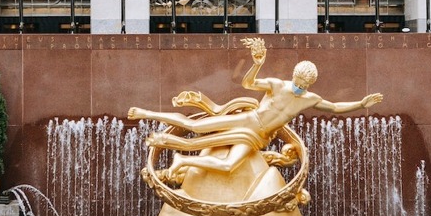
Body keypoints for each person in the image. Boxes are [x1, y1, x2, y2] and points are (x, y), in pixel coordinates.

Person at [128, 37, 383, 181]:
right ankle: (146, 113)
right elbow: (248, 83)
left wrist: (361, 104)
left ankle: (183, 159)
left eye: (304, 85)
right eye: (297, 81)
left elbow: (336, 107)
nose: (299, 86)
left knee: (229, 165)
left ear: (310, 85)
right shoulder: (277, 85)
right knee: (194, 125)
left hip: (257, 137)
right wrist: (257, 64)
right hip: (247, 121)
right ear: (293, 76)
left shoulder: (309, 99)